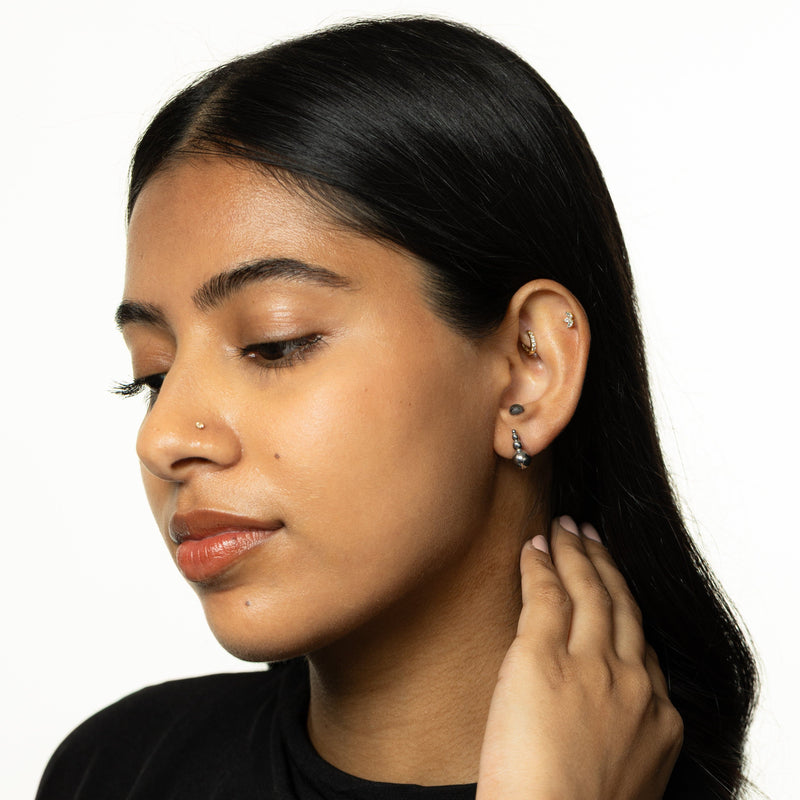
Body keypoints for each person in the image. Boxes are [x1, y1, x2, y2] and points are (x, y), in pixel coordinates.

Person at [36, 16, 757, 800]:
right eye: (153, 373)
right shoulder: (118, 771)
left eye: (276, 344)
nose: (164, 436)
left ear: (530, 368)